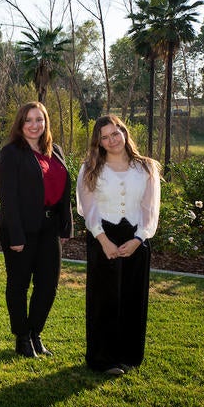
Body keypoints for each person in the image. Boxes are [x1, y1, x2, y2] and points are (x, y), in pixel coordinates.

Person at [77, 115, 160, 376]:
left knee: (133, 297)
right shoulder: (91, 168)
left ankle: (129, 355)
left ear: (124, 133)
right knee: (104, 299)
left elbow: (150, 209)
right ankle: (103, 358)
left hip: (136, 237)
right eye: (105, 136)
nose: (112, 140)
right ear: (99, 142)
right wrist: (103, 240)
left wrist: (139, 239)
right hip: (103, 236)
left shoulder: (146, 168)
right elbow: (87, 208)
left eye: (115, 133)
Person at [0, 101, 73, 359]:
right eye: (28, 120)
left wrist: (65, 224)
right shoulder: (11, 153)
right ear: (20, 123)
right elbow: (8, 198)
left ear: (45, 123)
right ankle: (22, 337)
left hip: (49, 227)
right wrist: (16, 236)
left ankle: (35, 332)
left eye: (39, 120)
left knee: (48, 285)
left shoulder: (56, 151)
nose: (34, 125)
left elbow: (64, 190)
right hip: (20, 228)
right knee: (18, 285)